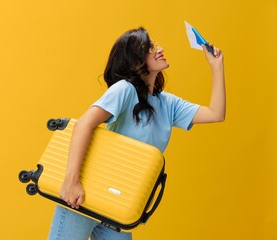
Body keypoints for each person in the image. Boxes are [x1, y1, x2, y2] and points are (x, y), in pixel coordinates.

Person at [48, 27, 225, 240]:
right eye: (149, 47)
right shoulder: (125, 89)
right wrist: (71, 181)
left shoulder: (168, 103)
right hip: (84, 194)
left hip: (116, 203)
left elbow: (216, 113)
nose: (159, 49)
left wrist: (216, 67)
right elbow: (84, 124)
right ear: (135, 61)